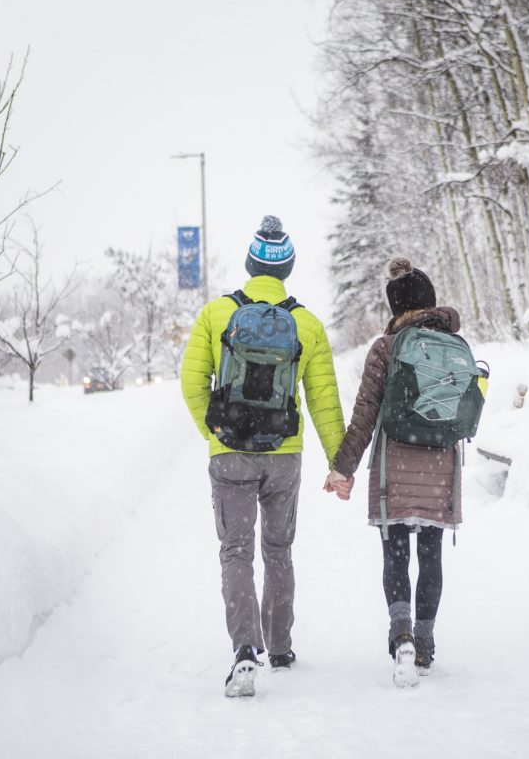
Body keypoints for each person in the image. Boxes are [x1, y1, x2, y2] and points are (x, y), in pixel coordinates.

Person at [180, 215, 345, 698]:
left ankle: (245, 651)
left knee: (236, 550)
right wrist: (339, 464)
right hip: (284, 455)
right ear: (287, 268)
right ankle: (279, 647)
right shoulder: (307, 324)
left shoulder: (216, 314)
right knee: (278, 550)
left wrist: (215, 431)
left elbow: (192, 383)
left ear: (250, 263)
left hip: (230, 452)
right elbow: (323, 401)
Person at [325, 257, 467, 686]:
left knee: (396, 556)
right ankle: (425, 642)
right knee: (430, 554)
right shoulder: (453, 346)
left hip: (394, 469)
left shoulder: (385, 349)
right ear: (430, 301)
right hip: (441, 466)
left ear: (396, 307)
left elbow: (365, 415)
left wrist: (341, 469)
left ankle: (401, 633)